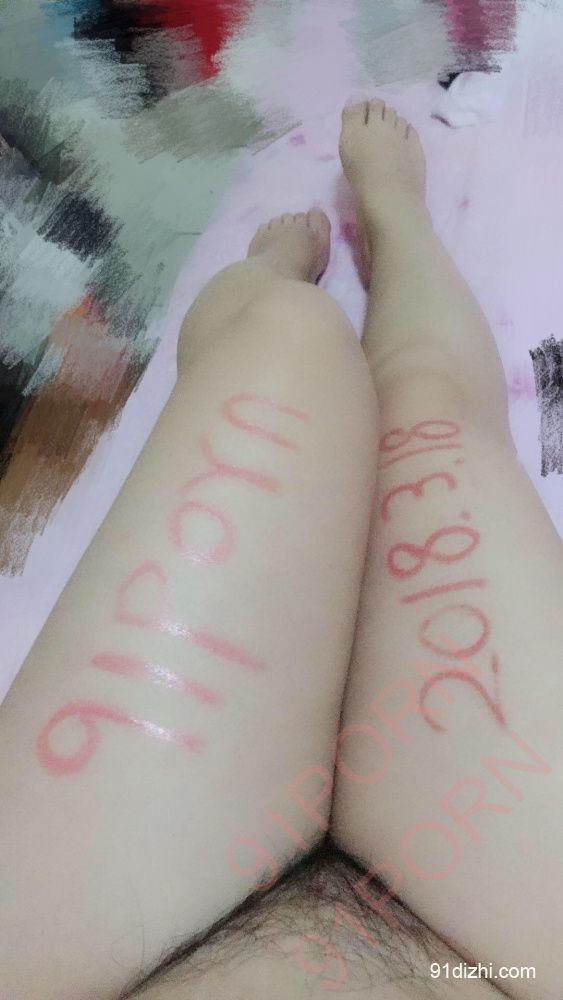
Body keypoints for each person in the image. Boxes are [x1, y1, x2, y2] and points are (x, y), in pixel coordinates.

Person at [0, 99, 560, 1000]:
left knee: (281, 342)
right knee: (423, 410)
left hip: (74, 963)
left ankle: (304, 263)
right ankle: (395, 227)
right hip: (520, 962)